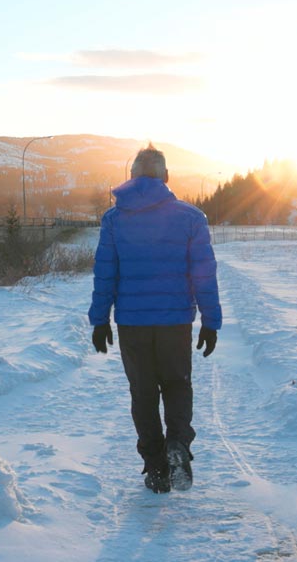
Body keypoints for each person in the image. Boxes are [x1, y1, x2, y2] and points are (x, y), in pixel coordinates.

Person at [88, 144, 222, 494]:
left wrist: (100, 319)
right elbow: (204, 273)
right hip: (174, 321)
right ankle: (178, 445)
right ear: (166, 177)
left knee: (143, 394)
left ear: (131, 177)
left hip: (132, 323)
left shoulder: (114, 219)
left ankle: (156, 467)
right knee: (177, 385)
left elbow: (106, 273)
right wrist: (210, 321)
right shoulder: (191, 217)